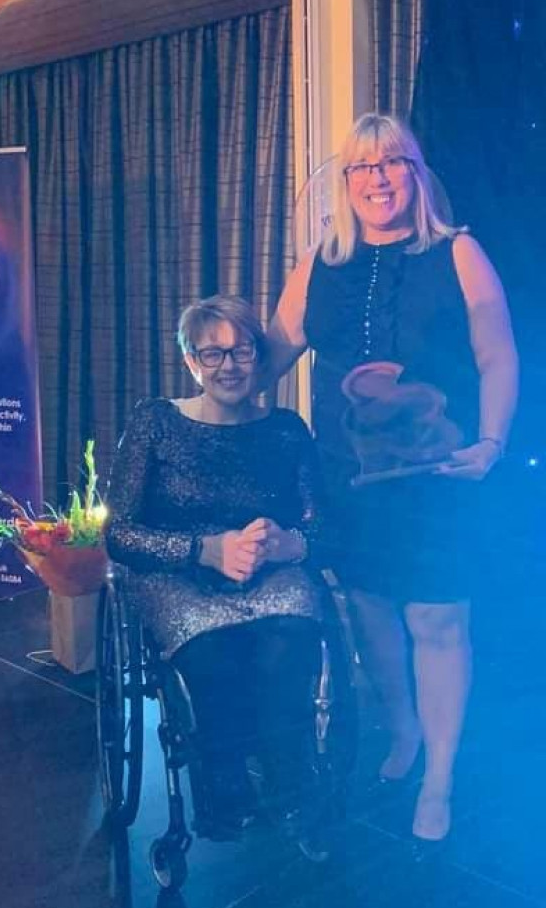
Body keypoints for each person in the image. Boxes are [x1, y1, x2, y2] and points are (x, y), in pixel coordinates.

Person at [267, 113, 518, 842]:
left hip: (437, 476)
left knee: (437, 618)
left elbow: (497, 357)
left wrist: (494, 441)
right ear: (346, 182)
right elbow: (275, 348)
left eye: (393, 163)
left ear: (416, 173)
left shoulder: (459, 251)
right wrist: (207, 386)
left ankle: (439, 774)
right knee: (370, 611)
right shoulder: (322, 260)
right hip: (348, 481)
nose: (378, 179)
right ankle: (403, 729)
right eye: (363, 167)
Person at [105, 295, 329, 852]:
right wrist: (203, 550)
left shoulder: (285, 430)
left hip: (268, 569)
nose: (228, 366)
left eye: (241, 350)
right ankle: (223, 784)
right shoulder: (156, 422)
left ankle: (287, 776)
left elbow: (324, 527)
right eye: (212, 354)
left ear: (259, 355)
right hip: (178, 573)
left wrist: (288, 544)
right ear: (190, 361)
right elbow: (120, 534)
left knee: (294, 639)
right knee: (214, 657)